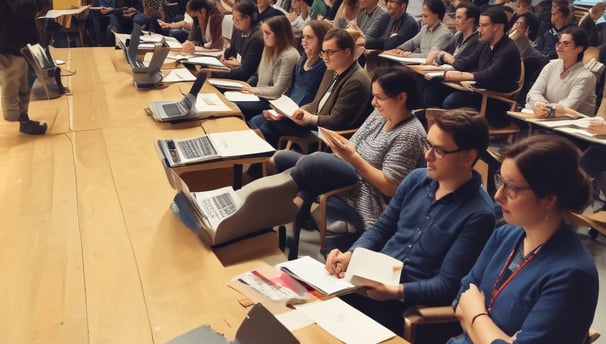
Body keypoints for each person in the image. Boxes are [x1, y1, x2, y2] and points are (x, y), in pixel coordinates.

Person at [324, 109, 497, 334]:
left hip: (407, 301)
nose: (427, 156)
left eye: (439, 150)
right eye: (428, 145)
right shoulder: (416, 179)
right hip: (373, 279)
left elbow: (447, 284)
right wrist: (352, 254)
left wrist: (394, 291)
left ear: (468, 157)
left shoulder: (479, 214)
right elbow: (381, 229)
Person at [449, 135, 598, 344]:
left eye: (511, 187)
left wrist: (475, 313)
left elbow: (468, 302)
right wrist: (498, 338)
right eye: (500, 181)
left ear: (548, 198)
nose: (497, 196)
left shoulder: (572, 274)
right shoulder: (505, 235)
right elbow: (460, 298)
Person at [273, 67, 426, 241]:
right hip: (347, 168)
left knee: (314, 163)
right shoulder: (380, 114)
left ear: (401, 98)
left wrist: (353, 158)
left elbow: (390, 187)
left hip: (365, 189)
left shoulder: (410, 134)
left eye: (380, 97)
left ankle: (285, 211)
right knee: (283, 157)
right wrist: (341, 148)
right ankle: (293, 209)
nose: (373, 103)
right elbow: (354, 142)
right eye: (373, 96)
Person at [252, 29, 372, 144]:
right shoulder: (331, 69)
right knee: (269, 123)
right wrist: (291, 112)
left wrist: (308, 118)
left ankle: (258, 159)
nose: (325, 57)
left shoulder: (356, 80)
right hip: (316, 122)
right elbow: (316, 103)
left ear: (347, 52)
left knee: (268, 127)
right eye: (323, 52)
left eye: (330, 52)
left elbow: (336, 121)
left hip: (328, 134)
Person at [423, 6, 521, 128]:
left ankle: (458, 140)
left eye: (484, 26)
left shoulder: (508, 50)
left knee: (452, 101)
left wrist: (460, 76)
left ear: (497, 27)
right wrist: (444, 59)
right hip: (477, 91)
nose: (479, 30)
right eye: (479, 25)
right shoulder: (485, 43)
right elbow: (463, 63)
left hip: (494, 100)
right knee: (432, 90)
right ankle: (431, 132)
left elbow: (489, 76)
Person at [249, 20, 331, 147]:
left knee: (264, 128)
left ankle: (265, 162)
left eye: (309, 38)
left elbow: (314, 100)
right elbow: (291, 89)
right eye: (303, 37)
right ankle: (265, 162)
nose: (304, 41)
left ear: (321, 39)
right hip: (288, 112)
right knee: (256, 121)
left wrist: (285, 114)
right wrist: (278, 109)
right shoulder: (302, 59)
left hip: (302, 117)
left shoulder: (324, 66)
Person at [233, 15, 300, 120]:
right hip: (261, 95)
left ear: (279, 35)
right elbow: (260, 76)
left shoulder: (289, 56)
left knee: (234, 105)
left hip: (274, 102)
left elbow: (278, 92)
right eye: (264, 32)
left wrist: (253, 90)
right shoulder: (268, 48)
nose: (264, 36)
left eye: (268, 33)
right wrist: (249, 87)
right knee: (230, 98)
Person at [0, 0, 50, 135]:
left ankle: (24, 120)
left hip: (19, 39)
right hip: (7, 41)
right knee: (12, 79)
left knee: (24, 82)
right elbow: (21, 9)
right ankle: (15, 115)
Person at [526, 27, 596, 118]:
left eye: (566, 44)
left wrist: (545, 109)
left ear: (579, 49)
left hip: (572, 126)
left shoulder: (586, 77)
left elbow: (568, 107)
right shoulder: (550, 66)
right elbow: (534, 92)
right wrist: (538, 103)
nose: (559, 47)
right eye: (559, 43)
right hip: (546, 118)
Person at [216, 1, 264, 81]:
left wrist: (215, 72)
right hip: (237, 70)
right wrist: (223, 57)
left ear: (247, 18)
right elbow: (231, 50)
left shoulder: (257, 37)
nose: (234, 22)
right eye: (233, 18)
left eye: (237, 19)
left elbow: (245, 72)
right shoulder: (239, 28)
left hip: (250, 80)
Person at [387, 0, 452, 58]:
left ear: (436, 15)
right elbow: (412, 43)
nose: (422, 19)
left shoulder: (444, 34)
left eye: (425, 16)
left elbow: (432, 55)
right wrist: (398, 50)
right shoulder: (425, 28)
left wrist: (409, 55)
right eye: (422, 16)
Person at [426, 1, 480, 67]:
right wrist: (439, 55)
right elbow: (442, 53)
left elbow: (465, 64)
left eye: (459, 17)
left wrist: (448, 58)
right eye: (456, 17)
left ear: (471, 20)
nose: (456, 20)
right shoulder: (458, 37)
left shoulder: (478, 40)